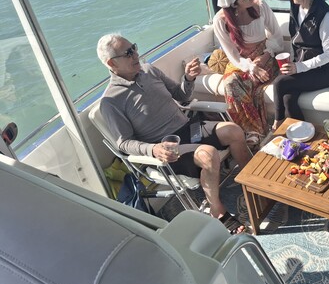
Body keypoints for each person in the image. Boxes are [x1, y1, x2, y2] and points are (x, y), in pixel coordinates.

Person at [96, 34, 252, 234]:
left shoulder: (149, 70)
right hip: (168, 147)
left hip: (188, 128)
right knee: (208, 154)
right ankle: (218, 211)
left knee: (234, 130)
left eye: (133, 48)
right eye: (128, 53)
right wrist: (153, 149)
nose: (135, 54)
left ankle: (252, 183)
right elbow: (124, 143)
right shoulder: (111, 101)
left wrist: (188, 78)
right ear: (112, 63)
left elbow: (181, 95)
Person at [213, 0, 284, 145]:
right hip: (241, 62)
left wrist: (265, 56)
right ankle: (251, 130)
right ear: (234, 5)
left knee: (251, 81)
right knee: (230, 83)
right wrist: (250, 66)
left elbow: (277, 37)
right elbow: (232, 55)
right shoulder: (220, 20)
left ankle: (259, 132)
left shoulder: (260, 6)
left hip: (265, 55)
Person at [271, 0, 329, 130]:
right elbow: (296, 38)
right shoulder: (295, 5)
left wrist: (299, 67)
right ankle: (305, 134)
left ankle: (277, 123)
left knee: (279, 83)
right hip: (302, 65)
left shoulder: (324, 14)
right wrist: (294, 63)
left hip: (325, 71)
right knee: (288, 98)